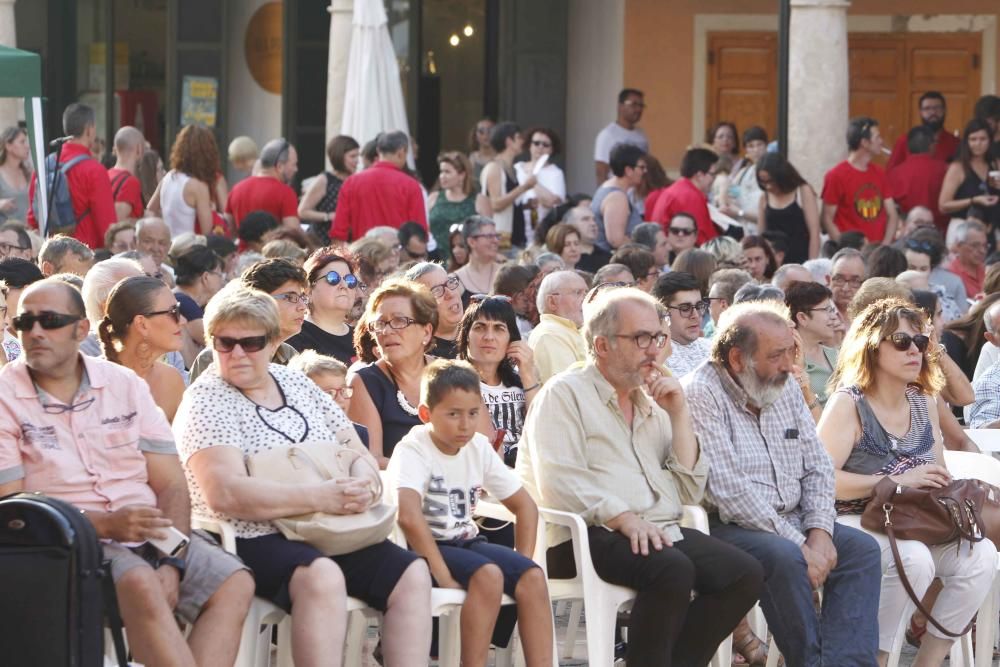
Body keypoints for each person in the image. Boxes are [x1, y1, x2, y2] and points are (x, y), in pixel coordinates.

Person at [0, 277, 255, 666]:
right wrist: (103, 525)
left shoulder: (123, 384)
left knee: (234, 582)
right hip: (62, 544)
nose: (35, 332)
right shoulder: (5, 395)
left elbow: (171, 482)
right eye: (24, 323)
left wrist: (173, 559)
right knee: (139, 581)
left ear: (80, 329)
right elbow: (14, 509)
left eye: (49, 320)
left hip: (148, 530)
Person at [173, 284, 432, 666]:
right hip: (252, 532)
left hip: (325, 524)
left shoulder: (294, 382)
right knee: (322, 575)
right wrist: (321, 497)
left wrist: (363, 481)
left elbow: (352, 445)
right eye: (225, 344)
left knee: (411, 572)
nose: (238, 353)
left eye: (252, 342)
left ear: (273, 341)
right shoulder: (207, 398)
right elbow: (224, 493)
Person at [518, 286, 764, 665]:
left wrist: (679, 413)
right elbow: (559, 482)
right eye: (641, 337)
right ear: (602, 346)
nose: (654, 349)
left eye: (658, 336)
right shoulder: (564, 394)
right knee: (671, 569)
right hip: (583, 534)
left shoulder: (649, 400)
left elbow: (688, 489)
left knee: (744, 573)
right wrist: (623, 518)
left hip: (658, 528)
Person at [683, 300, 882, 666]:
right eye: (776, 355)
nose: (789, 365)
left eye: (791, 353)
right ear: (737, 359)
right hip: (728, 525)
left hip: (793, 519)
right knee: (785, 556)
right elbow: (729, 491)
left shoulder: (784, 384)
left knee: (862, 551)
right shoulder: (699, 392)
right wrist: (801, 545)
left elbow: (819, 467)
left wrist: (820, 531)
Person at [818, 298, 996, 665]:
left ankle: (927, 661)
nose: (914, 350)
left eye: (920, 342)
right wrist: (894, 480)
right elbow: (823, 481)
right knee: (914, 561)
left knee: (980, 556)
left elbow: (936, 467)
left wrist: (933, 480)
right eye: (901, 341)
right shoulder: (848, 404)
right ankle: (877, 657)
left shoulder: (923, 401)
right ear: (871, 346)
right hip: (853, 516)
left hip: (912, 516)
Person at [387, 359, 552, 666]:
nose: (465, 424)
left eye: (473, 413)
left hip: (466, 543)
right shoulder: (413, 448)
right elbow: (407, 515)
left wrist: (522, 561)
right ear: (426, 414)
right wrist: (442, 574)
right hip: (422, 550)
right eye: (453, 414)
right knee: (488, 576)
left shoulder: (477, 446)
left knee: (532, 575)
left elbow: (525, 506)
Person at [349, 279, 437, 467]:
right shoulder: (365, 383)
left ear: (426, 332)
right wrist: (431, 472)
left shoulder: (452, 375)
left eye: (399, 320)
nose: (387, 331)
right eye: (380, 323)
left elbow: (485, 446)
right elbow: (370, 460)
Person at [189, 257, 306, 382]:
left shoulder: (290, 355)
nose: (303, 307)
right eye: (290, 297)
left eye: (302, 297)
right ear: (258, 300)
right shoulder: (218, 357)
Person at [456, 296, 539, 466]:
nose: (489, 337)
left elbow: (541, 431)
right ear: (466, 337)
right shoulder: (454, 384)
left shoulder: (522, 381)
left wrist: (528, 374)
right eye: (480, 327)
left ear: (512, 339)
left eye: (499, 328)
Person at [26, 104, 116, 249]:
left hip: (48, 252)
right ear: (89, 129)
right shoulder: (95, 170)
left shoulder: (43, 166)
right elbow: (106, 227)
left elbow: (33, 218)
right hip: (82, 255)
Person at [99, 276, 186, 421]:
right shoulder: (92, 382)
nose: (183, 320)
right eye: (173, 312)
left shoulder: (171, 380)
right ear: (142, 324)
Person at [332, 131, 427, 242]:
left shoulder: (351, 182)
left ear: (378, 151)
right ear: (402, 152)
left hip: (361, 253)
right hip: (398, 255)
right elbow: (419, 234)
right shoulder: (411, 185)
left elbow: (338, 234)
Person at [821, 116, 900, 245]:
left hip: (876, 252)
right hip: (851, 253)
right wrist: (845, 248)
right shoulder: (836, 175)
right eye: (877, 137)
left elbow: (892, 214)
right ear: (864, 142)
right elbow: (827, 219)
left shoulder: (880, 173)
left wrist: (884, 247)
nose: (881, 141)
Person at [284, 249, 359, 365]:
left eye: (350, 280)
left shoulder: (362, 337)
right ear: (308, 291)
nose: (344, 286)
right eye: (333, 278)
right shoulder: (295, 336)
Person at [146, 124, 221, 237]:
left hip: (167, 247)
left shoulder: (168, 177)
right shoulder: (198, 186)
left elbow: (149, 211)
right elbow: (207, 231)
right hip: (188, 249)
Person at [939, 118, 1000, 234]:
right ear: (966, 142)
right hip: (963, 228)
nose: (978, 144)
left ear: (990, 141)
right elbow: (943, 205)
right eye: (973, 139)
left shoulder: (996, 164)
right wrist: (973, 201)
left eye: (983, 139)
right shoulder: (958, 168)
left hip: (993, 228)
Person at [225, 137, 299, 233]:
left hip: (243, 248)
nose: (296, 169)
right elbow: (293, 232)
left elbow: (228, 227)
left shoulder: (236, 189)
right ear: (280, 166)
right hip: (275, 248)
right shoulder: (286, 193)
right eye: (293, 164)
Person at [757, 152, 820, 263]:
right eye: (763, 182)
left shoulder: (802, 191)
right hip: (774, 264)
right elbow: (760, 236)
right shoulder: (764, 197)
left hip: (800, 260)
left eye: (771, 181)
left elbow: (814, 233)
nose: (768, 186)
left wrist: (811, 265)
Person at [785, 281, 839, 410]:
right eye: (826, 310)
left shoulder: (838, 355)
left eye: (832, 310)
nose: (834, 316)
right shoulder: (788, 363)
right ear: (802, 318)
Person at [481, 123, 536, 250]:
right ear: (509, 141)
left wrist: (527, 205)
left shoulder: (511, 169)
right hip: (501, 241)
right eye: (518, 137)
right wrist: (524, 187)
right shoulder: (494, 168)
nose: (522, 141)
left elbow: (509, 201)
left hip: (515, 239)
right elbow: (496, 204)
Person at [650, 148, 721, 246]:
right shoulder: (690, 196)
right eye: (713, 174)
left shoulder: (679, 188)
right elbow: (701, 240)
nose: (714, 179)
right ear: (699, 175)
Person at [527, 270, 588, 384]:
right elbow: (568, 390)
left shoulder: (571, 330)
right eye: (577, 292)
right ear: (552, 302)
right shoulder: (549, 336)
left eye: (586, 293)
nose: (586, 299)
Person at [426, 152, 490, 260]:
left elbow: (488, 236)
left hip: (467, 263)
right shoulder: (433, 198)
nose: (442, 176)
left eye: (447, 172)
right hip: (435, 262)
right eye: (441, 172)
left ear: (462, 175)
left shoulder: (479, 200)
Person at [297, 135, 359, 243]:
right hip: (323, 241)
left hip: (348, 241)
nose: (357, 161)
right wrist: (328, 216)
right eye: (352, 156)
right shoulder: (324, 180)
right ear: (339, 156)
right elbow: (302, 211)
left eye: (358, 156)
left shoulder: (355, 179)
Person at [886, 126, 950, 231]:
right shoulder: (945, 170)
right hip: (940, 231)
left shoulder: (895, 173)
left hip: (907, 231)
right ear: (932, 146)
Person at [173, 245, 225, 367]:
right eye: (219, 275)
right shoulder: (183, 303)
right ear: (206, 277)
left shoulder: (182, 299)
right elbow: (220, 341)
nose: (222, 281)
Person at [653, 271, 712, 377]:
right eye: (685, 308)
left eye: (698, 306)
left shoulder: (711, 348)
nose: (695, 315)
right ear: (663, 312)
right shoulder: (654, 356)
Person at [886, 91, 961, 171]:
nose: (933, 112)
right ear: (920, 112)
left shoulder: (956, 143)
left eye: (937, 108)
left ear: (944, 110)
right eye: (927, 108)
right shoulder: (905, 141)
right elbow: (891, 173)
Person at [591, 144, 646, 253]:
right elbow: (616, 240)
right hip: (611, 262)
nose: (645, 171)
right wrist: (643, 251)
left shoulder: (610, 188)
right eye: (641, 167)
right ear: (628, 170)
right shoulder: (617, 197)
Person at [405, 262, 464, 359]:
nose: (450, 294)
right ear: (419, 308)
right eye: (437, 291)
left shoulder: (478, 336)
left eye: (449, 283)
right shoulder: (420, 357)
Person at [594, 88, 650, 185]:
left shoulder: (642, 135)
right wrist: (604, 197)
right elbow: (601, 171)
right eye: (634, 104)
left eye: (641, 106)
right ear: (620, 106)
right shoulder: (607, 135)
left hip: (638, 195)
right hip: (617, 193)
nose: (638, 109)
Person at [515, 127, 566, 226]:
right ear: (529, 145)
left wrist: (532, 181)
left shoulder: (555, 172)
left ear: (551, 149)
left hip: (543, 225)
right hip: (517, 223)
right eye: (536, 143)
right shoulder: (517, 168)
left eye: (545, 145)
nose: (540, 147)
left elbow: (552, 202)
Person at [719, 126, 767, 228]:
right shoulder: (743, 173)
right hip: (744, 230)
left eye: (760, 145)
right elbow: (731, 193)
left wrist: (740, 212)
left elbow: (770, 215)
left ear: (766, 146)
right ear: (746, 150)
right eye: (751, 146)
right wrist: (724, 203)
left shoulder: (773, 172)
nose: (756, 150)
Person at [454, 216, 501, 296]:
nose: (496, 240)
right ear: (472, 242)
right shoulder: (455, 281)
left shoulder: (506, 274)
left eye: (496, 236)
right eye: (489, 236)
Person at [107, 126, 146, 222]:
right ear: (138, 149)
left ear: (115, 149)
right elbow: (116, 221)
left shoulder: (106, 174)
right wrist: (144, 220)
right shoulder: (131, 182)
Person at [944, 220, 988, 299]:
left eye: (985, 245)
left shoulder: (986, 270)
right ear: (959, 245)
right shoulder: (950, 274)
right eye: (975, 245)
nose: (982, 250)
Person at [564, 205, 610, 273]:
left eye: (594, 219)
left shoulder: (609, 258)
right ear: (571, 225)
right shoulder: (562, 259)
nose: (593, 223)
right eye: (585, 219)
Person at [0, 126, 31, 223]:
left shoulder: (29, 173)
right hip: (5, 235)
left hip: (30, 235)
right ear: (8, 146)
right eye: (22, 142)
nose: (27, 146)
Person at [828, 247, 866, 324]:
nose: (845, 289)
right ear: (829, 279)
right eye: (839, 279)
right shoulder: (815, 315)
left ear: (865, 283)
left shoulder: (872, 316)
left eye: (854, 281)